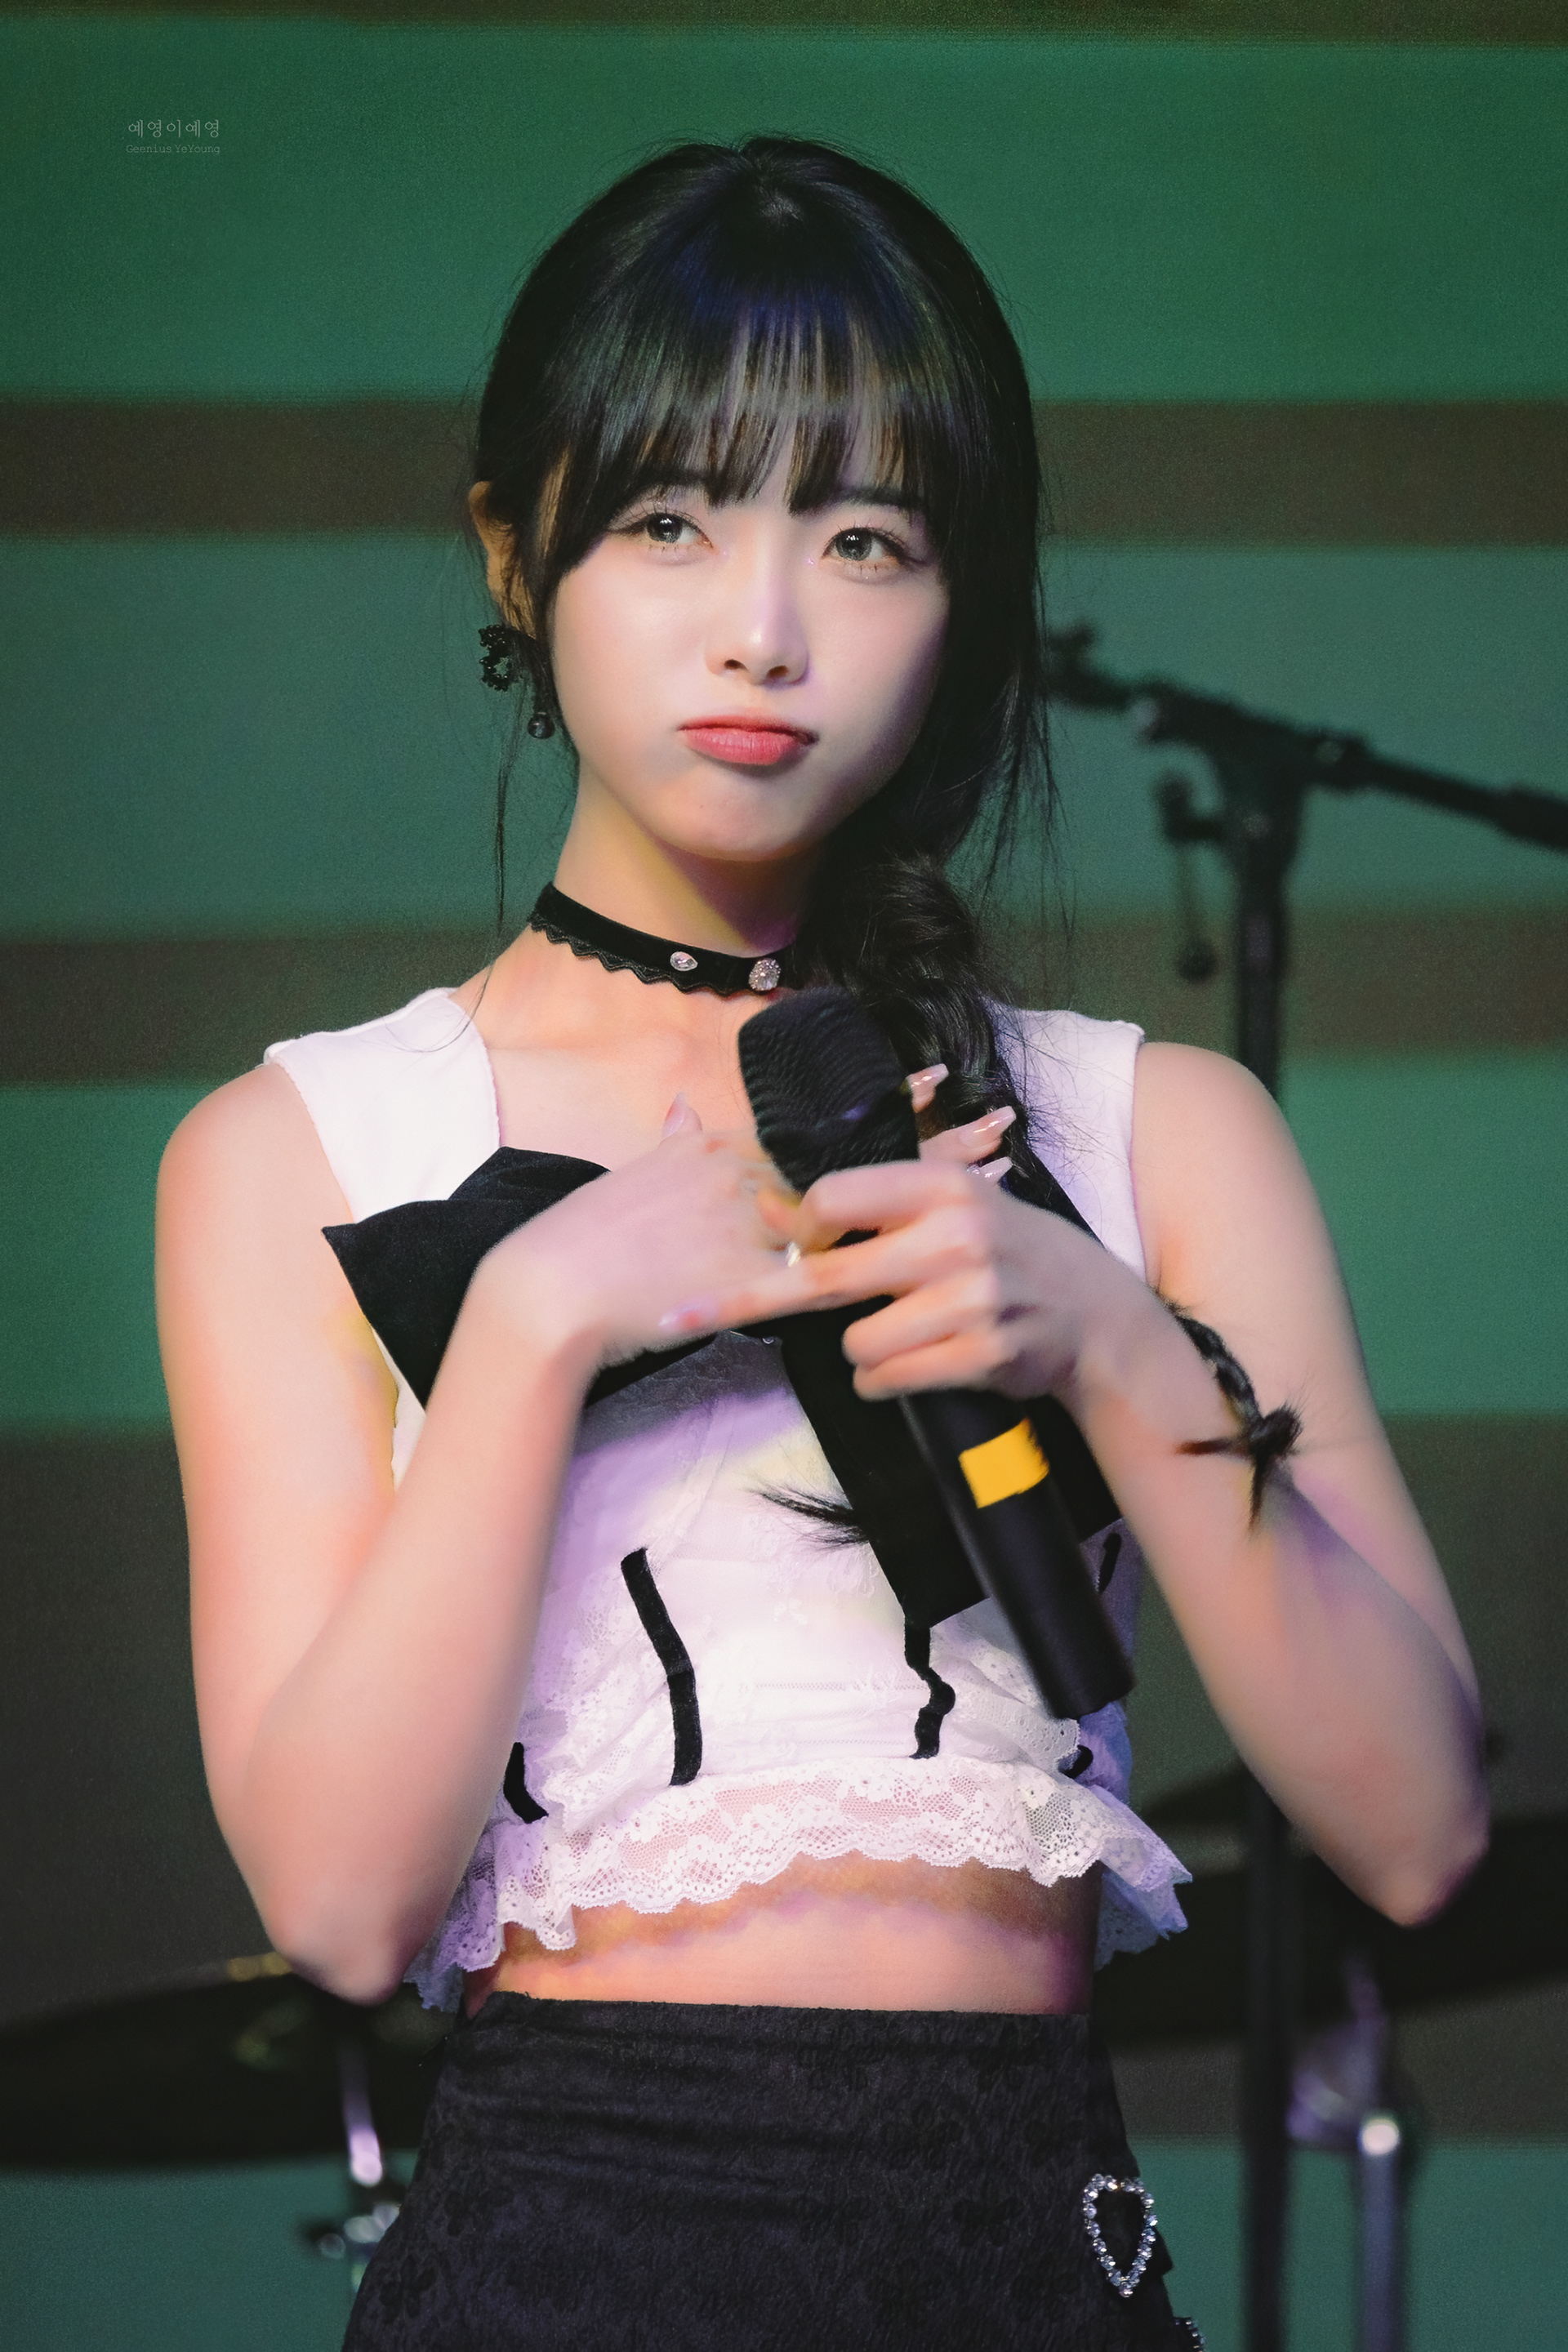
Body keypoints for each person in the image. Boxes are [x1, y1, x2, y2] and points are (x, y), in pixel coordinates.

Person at [156, 140, 1486, 2350]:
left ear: (965, 600)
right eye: (672, 522)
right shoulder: (305, 1145)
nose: (763, 627)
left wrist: (1121, 1350)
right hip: (563, 2246)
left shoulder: (1154, 1132)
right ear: (514, 551)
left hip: (1029, 2240)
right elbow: (342, 1908)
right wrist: (536, 1323)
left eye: (865, 539)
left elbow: (1418, 1832)